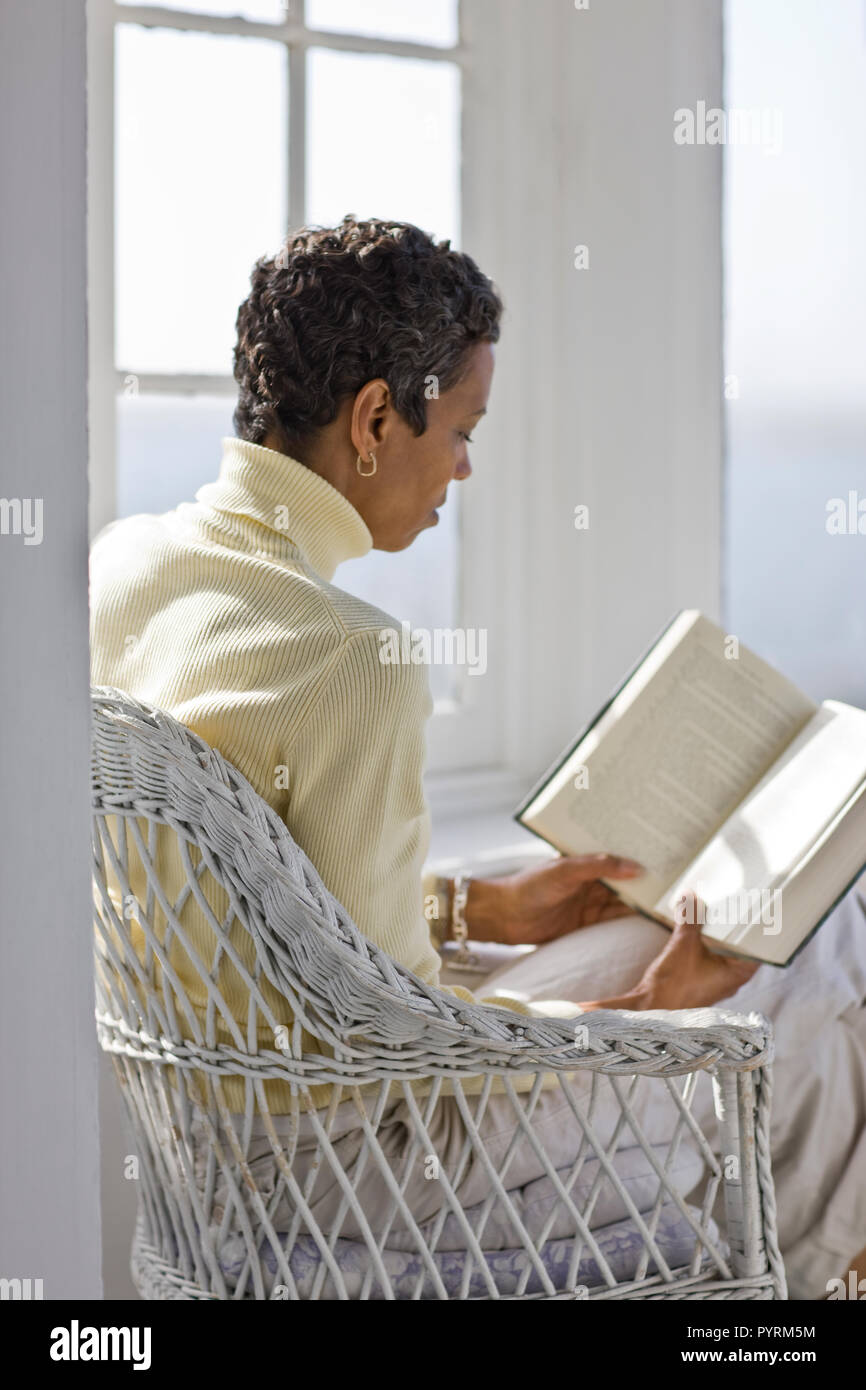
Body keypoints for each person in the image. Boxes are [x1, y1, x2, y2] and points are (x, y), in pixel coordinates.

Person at [90, 216, 866, 1299]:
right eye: (459, 427)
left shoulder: (126, 566)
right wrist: (657, 1011)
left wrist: (488, 911)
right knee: (814, 966)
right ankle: (804, 1295)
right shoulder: (352, 659)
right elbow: (413, 1055)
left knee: (809, 957)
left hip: (216, 1125)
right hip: (368, 1167)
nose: (463, 465)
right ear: (373, 417)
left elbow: (271, 909)